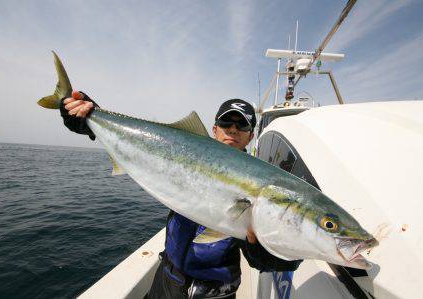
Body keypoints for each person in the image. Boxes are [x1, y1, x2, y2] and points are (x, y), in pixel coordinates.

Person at [61, 91, 302, 298]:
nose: (233, 130)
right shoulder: (186, 155)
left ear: (251, 136)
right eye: (227, 123)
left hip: (216, 291)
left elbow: (266, 261)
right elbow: (146, 149)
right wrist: (92, 117)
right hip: (167, 278)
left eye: (242, 126)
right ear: (214, 129)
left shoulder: (258, 181)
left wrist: (267, 250)